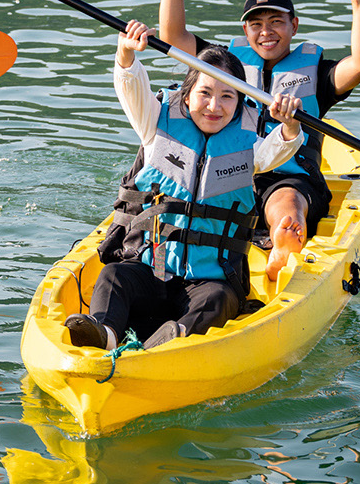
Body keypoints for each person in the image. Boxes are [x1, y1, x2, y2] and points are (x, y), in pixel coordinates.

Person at [68, 20, 304, 352]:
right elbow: (130, 87)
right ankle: (105, 334)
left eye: (227, 96)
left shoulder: (250, 145)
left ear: (239, 102)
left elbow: (281, 146)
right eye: (205, 93)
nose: (214, 106)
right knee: (113, 277)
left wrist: (291, 125)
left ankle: (167, 342)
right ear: (187, 93)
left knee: (219, 299)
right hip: (152, 268)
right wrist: (126, 54)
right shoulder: (155, 124)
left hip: (209, 279)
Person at [157, 0, 360, 281]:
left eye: (276, 22)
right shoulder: (224, 67)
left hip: (287, 177)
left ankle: (286, 239)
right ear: (245, 30)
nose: (266, 31)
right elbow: (173, 37)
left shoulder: (315, 73)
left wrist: (359, 0)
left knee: (285, 203)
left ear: (294, 26)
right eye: (256, 24)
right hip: (226, 172)